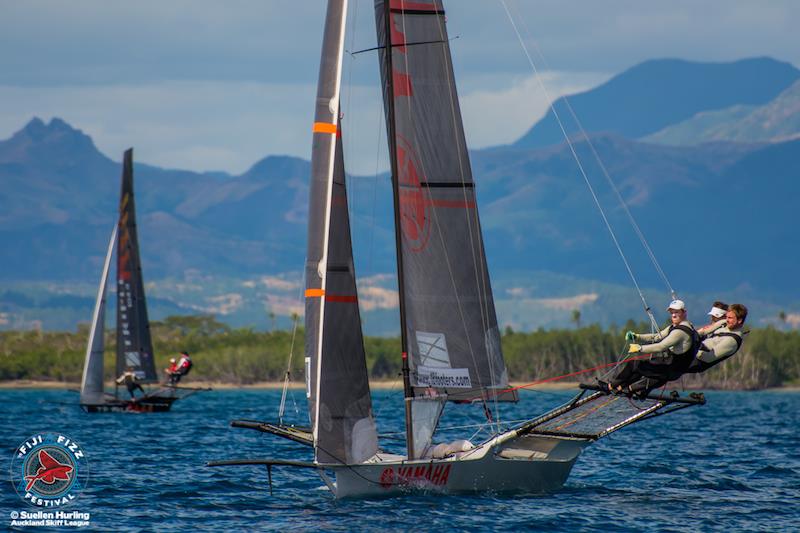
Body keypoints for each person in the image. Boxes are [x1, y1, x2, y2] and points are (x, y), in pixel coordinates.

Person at [604, 299, 700, 397]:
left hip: (670, 369)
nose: (673, 315)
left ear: (684, 312)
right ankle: (623, 387)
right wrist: (636, 336)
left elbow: (661, 346)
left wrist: (640, 348)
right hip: (671, 368)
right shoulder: (681, 326)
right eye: (672, 313)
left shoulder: (680, 332)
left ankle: (610, 386)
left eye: (677, 312)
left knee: (634, 364)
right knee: (640, 367)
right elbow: (657, 337)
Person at [687, 303, 748, 373]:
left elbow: (708, 358)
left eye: (730, 318)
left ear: (739, 320)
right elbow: (703, 332)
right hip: (694, 348)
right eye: (726, 317)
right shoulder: (724, 323)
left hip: (696, 361)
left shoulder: (732, 341)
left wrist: (690, 349)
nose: (727, 320)